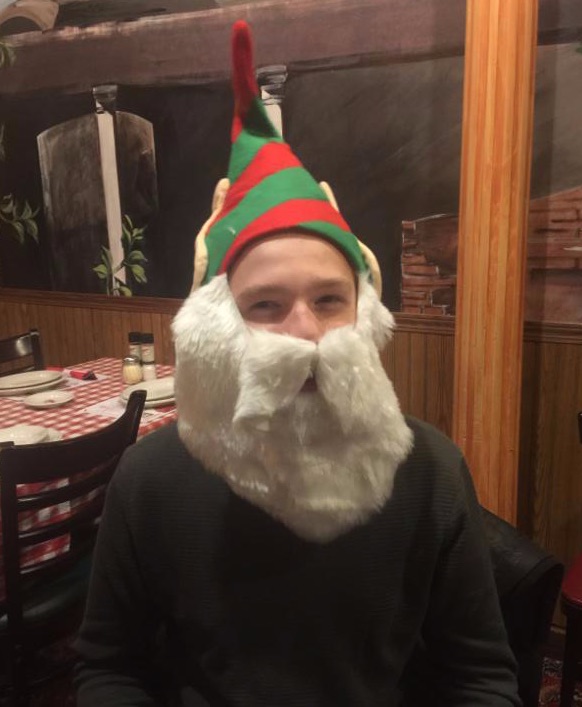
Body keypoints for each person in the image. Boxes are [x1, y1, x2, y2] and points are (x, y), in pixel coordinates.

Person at [74, 20, 521, 707]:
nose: (306, 332)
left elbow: (480, 677)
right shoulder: (150, 479)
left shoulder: (430, 472)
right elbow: (109, 669)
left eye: (329, 300)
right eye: (265, 305)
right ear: (217, 331)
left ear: (364, 314)